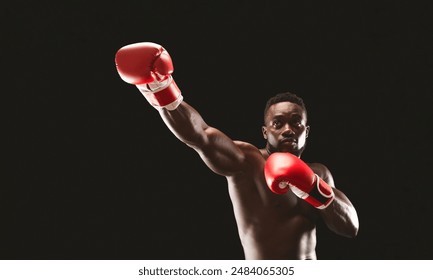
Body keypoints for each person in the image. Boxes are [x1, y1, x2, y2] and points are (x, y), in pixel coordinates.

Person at [114, 42, 359, 260]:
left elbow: (351, 227)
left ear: (307, 130)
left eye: (296, 123)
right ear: (265, 132)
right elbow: (201, 136)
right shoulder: (247, 162)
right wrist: (161, 88)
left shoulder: (319, 173)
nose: (288, 129)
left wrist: (314, 188)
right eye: (278, 123)